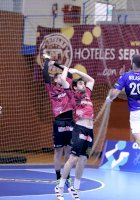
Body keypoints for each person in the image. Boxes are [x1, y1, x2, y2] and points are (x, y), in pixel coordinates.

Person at [55, 67, 95, 200]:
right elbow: (62, 79)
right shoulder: (72, 95)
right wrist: (66, 69)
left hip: (90, 131)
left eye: (83, 83)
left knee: (83, 160)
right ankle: (59, 188)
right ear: (75, 87)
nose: (83, 84)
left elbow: (91, 79)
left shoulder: (88, 93)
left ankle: (75, 190)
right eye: (80, 83)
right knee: (73, 159)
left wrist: (79, 72)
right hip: (80, 128)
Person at [42, 54, 73, 186]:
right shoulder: (51, 89)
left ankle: (67, 175)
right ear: (55, 80)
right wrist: (47, 61)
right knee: (58, 151)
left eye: (62, 75)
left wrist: (55, 63)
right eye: (59, 76)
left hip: (70, 121)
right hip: (59, 122)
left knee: (69, 150)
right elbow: (45, 74)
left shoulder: (67, 84)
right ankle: (58, 176)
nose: (61, 76)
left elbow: (68, 72)